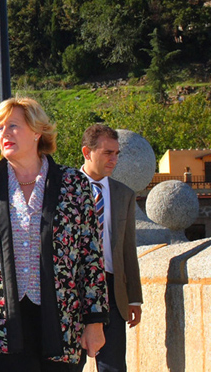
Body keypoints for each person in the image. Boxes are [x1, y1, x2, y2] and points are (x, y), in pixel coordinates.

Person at [0, 98, 108, 372]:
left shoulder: (74, 185)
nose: (4, 134)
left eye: (13, 126)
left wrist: (94, 321)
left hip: (61, 324)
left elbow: (90, 256)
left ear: (37, 131)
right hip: (1, 326)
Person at [80, 124, 142, 372]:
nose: (114, 159)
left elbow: (128, 249)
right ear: (87, 152)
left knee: (114, 366)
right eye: (107, 153)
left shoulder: (124, 194)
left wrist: (134, 298)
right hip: (74, 290)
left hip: (112, 291)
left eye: (117, 153)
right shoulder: (63, 189)